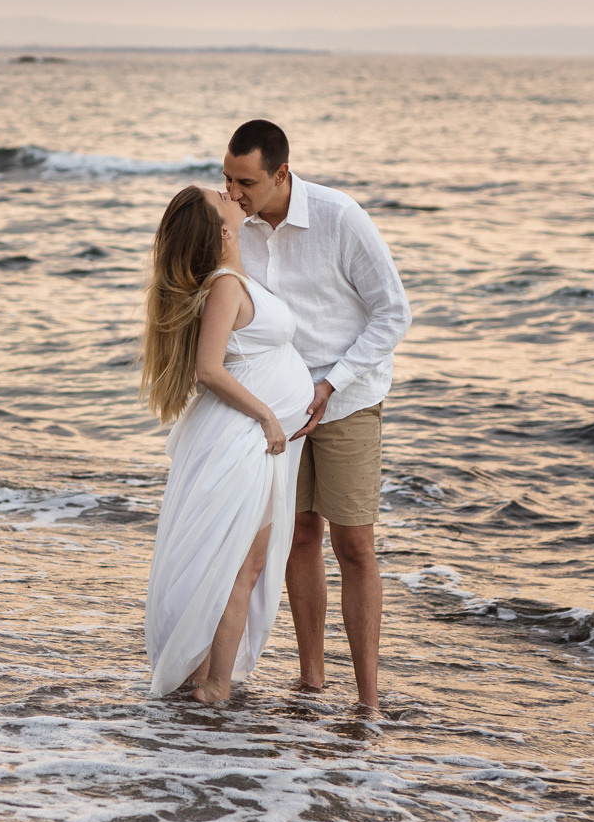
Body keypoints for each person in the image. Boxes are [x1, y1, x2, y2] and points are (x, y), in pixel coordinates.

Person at [224, 119, 411, 712]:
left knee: (353, 542)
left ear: (282, 174)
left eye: (246, 181)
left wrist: (332, 383)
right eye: (226, 178)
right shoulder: (235, 225)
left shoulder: (338, 216)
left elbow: (393, 312)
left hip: (346, 396)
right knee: (299, 535)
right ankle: (311, 678)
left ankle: (369, 699)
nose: (233, 192)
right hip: (276, 405)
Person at [141, 185, 316, 704]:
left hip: (249, 438)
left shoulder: (235, 278)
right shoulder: (223, 285)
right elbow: (209, 369)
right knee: (237, 561)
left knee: (246, 561)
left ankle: (210, 676)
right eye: (221, 195)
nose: (229, 192)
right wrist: (267, 415)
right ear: (221, 230)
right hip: (241, 437)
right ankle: (211, 683)